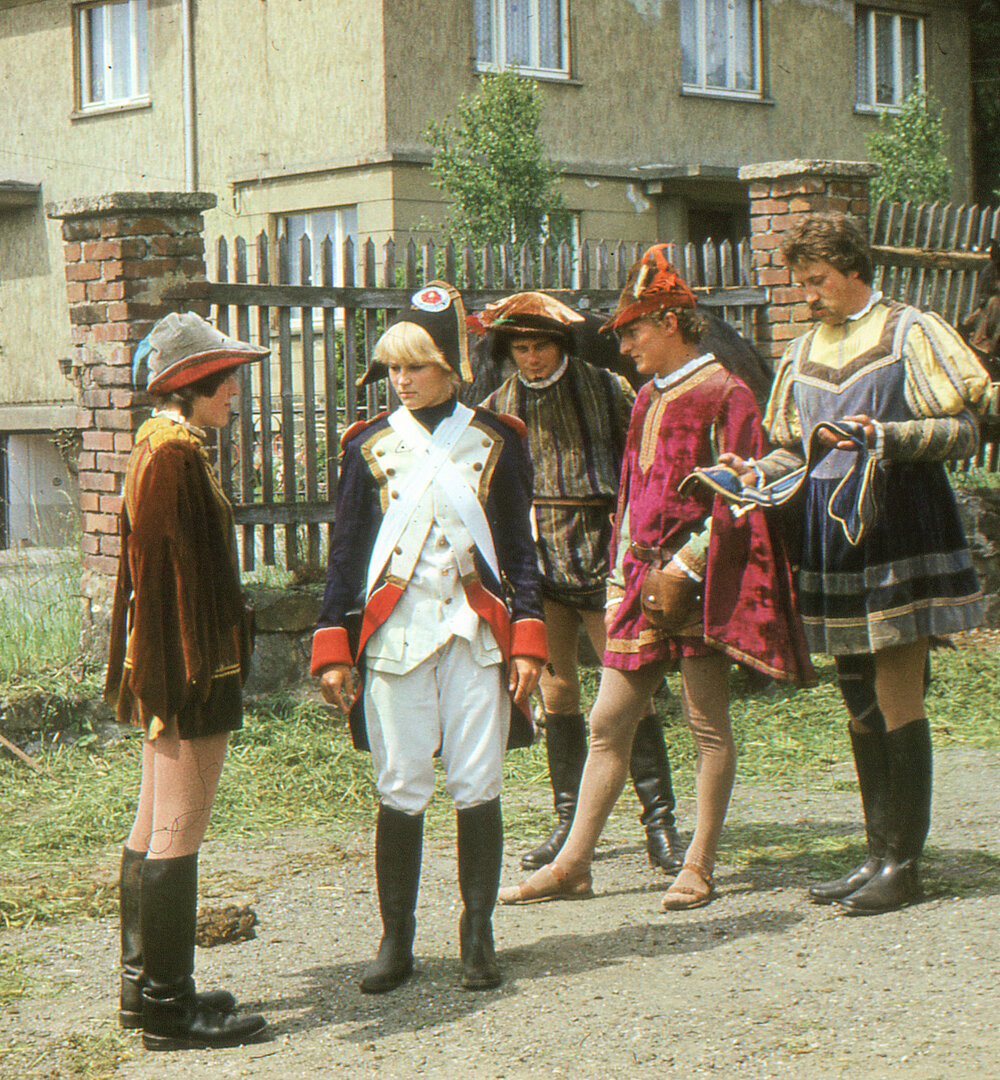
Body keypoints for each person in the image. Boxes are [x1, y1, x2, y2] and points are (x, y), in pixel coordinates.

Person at [498, 245, 813, 911]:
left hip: (698, 583)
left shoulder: (728, 394)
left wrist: (687, 566)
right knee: (608, 721)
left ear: (670, 323)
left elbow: (745, 497)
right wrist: (620, 576)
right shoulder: (645, 397)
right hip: (639, 580)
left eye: (633, 332)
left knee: (706, 724)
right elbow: (629, 494)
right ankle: (574, 864)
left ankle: (698, 863)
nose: (624, 346)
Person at [729, 212, 990, 916]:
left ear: (853, 271)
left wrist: (888, 437)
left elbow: (965, 431)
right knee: (856, 695)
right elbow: (793, 451)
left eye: (817, 281)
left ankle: (905, 864)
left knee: (898, 692)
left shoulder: (910, 332)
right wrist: (750, 474)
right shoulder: (802, 349)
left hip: (899, 523)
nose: (807, 295)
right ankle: (876, 854)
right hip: (829, 534)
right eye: (801, 282)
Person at [311, 283, 545, 994]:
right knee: (401, 785)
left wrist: (528, 640)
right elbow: (347, 552)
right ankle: (397, 940)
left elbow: (520, 550)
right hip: (396, 636)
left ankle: (478, 934)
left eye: (415, 366)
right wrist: (333, 643)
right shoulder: (368, 445)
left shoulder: (498, 440)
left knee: (478, 783)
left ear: (451, 366)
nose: (401, 381)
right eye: (393, 368)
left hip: (476, 634)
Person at [475, 290, 685, 875]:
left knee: (630, 692)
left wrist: (637, 546)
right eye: (521, 347)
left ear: (561, 343)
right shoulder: (498, 406)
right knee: (557, 693)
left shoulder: (606, 387)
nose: (532, 357)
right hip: (536, 563)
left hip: (601, 553)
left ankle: (660, 824)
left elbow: (640, 467)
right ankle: (568, 824)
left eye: (541, 345)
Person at [106, 311, 269, 1051]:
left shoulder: (160, 444)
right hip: (188, 667)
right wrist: (195, 676)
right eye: (225, 381)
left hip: (170, 661)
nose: (234, 393)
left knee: (151, 823)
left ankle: (142, 989)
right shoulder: (173, 455)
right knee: (179, 826)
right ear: (193, 385)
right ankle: (171, 1010)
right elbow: (170, 579)